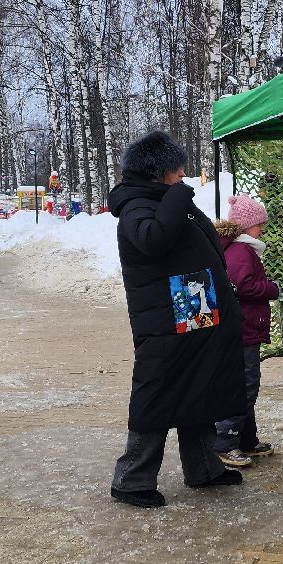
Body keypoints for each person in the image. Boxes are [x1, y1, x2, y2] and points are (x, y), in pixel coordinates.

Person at [108, 131, 246, 508]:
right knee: (157, 392)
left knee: (198, 384)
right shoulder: (137, 205)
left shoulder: (161, 199)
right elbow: (152, 239)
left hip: (189, 305)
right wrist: (177, 197)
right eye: (177, 168)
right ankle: (132, 479)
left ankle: (204, 468)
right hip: (165, 317)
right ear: (158, 172)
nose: (183, 174)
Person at [212, 194, 280, 467]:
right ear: (246, 225)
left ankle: (246, 440)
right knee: (245, 386)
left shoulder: (239, 248)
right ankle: (225, 443)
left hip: (244, 326)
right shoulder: (241, 250)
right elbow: (243, 286)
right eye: (259, 224)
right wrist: (272, 288)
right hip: (244, 327)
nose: (262, 228)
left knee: (247, 383)